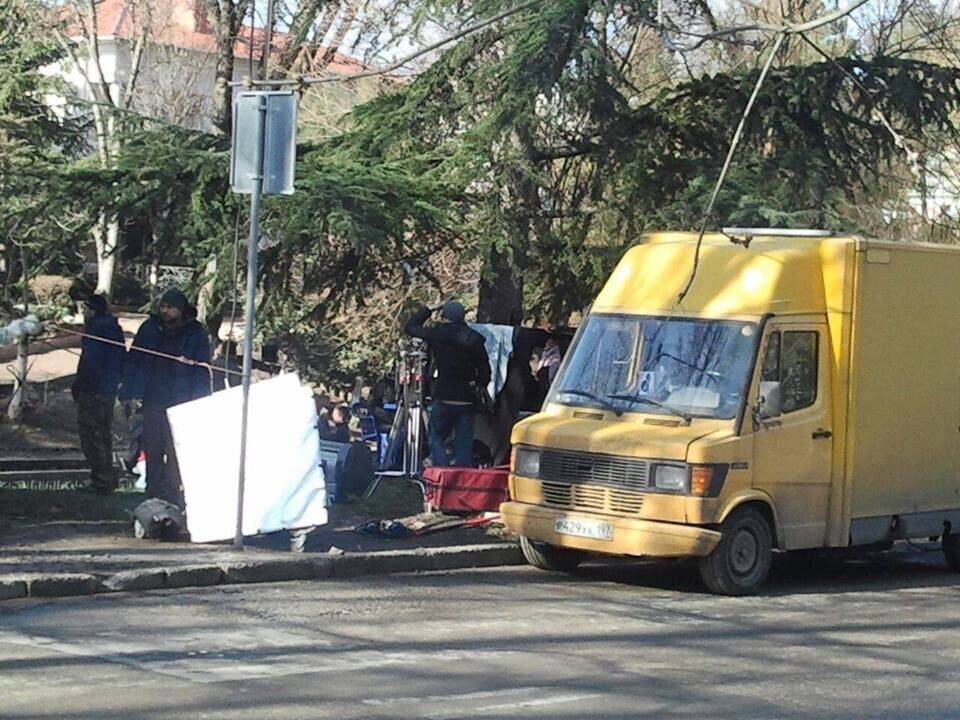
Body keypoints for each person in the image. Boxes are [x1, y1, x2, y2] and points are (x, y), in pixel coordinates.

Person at [119, 288, 211, 510]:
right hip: (153, 399)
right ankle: (152, 494)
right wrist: (128, 392)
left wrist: (201, 401)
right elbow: (135, 360)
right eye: (163, 306)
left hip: (183, 401)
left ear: (180, 309)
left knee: (175, 450)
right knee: (152, 448)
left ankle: (173, 495)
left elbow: (202, 370)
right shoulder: (150, 328)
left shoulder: (195, 333)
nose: (165, 311)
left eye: (170, 307)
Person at [404, 300, 491, 467]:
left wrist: (428, 309)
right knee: (464, 443)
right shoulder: (475, 338)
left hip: (444, 395)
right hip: (467, 397)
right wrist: (479, 384)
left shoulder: (438, 334)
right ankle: (462, 476)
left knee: (435, 435)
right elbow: (485, 371)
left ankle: (442, 467)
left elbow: (410, 327)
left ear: (446, 317)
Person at [71, 293, 125, 494]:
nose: (83, 313)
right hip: (107, 388)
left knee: (92, 436)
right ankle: (103, 477)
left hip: (94, 389)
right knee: (102, 434)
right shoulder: (112, 327)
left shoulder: (97, 329)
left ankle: (102, 479)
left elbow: (90, 362)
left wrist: (80, 385)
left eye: (85, 309)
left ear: (92, 310)